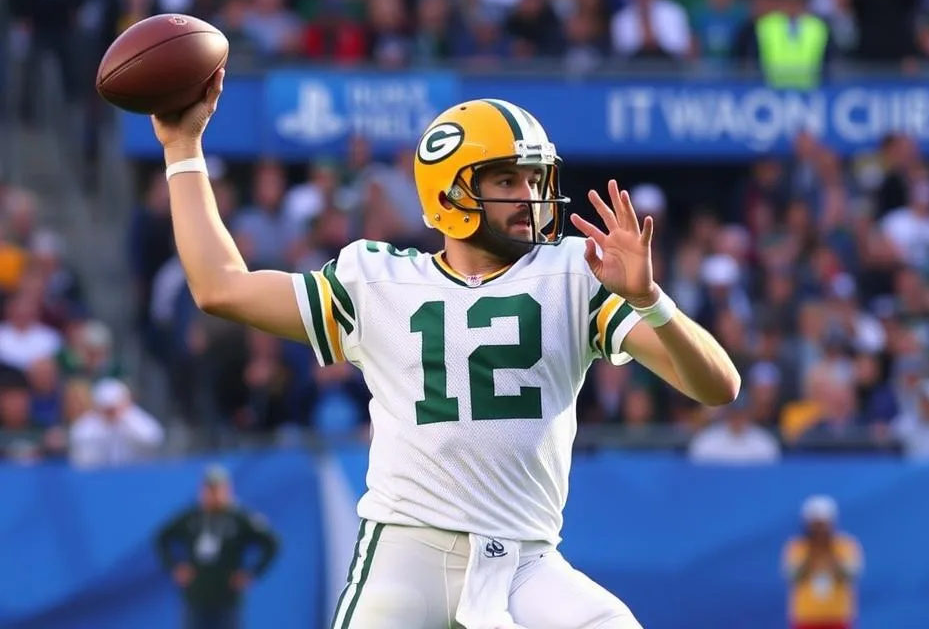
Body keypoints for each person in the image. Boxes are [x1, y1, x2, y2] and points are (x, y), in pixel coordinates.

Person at [151, 68, 740, 628]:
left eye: (534, 179)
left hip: (526, 559)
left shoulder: (575, 274)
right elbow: (220, 287)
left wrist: (650, 300)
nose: (529, 195)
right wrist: (183, 148)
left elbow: (717, 386)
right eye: (507, 179)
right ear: (451, 193)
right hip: (407, 550)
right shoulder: (377, 280)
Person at [155, 465, 280, 629]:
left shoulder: (240, 518)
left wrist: (252, 572)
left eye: (217, 489)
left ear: (227, 490)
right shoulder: (191, 517)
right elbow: (161, 538)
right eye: (209, 489)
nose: (212, 494)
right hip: (197, 595)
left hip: (226, 597)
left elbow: (271, 543)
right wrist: (174, 567)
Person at [781, 495, 864, 629]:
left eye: (823, 524)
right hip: (806, 618)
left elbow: (850, 576)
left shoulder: (845, 545)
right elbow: (793, 577)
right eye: (815, 524)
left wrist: (830, 552)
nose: (819, 529)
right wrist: (812, 552)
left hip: (838, 617)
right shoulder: (796, 547)